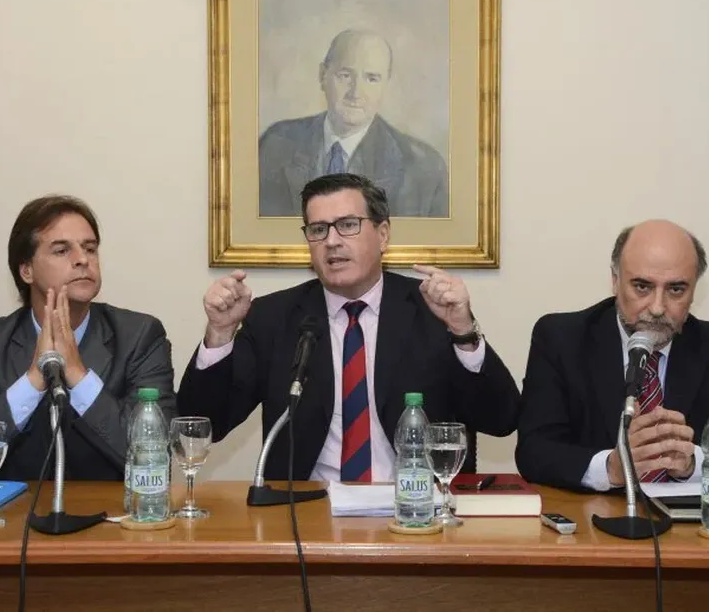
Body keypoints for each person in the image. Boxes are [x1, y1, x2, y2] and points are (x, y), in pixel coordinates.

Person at [179, 173, 518, 482]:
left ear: (383, 235)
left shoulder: (432, 310)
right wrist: (220, 333)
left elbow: (500, 420)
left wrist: (463, 330)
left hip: (415, 507)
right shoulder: (274, 317)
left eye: (347, 225)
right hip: (306, 510)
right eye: (318, 229)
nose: (331, 241)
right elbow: (203, 427)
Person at [515, 220, 709, 491]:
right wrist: (611, 468)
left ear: (694, 290)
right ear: (615, 281)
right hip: (591, 513)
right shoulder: (562, 339)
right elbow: (534, 451)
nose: (657, 308)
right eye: (642, 287)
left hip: (686, 517)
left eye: (676, 289)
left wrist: (693, 464)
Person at [0, 196, 175, 482]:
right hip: (18, 508)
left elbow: (154, 459)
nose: (83, 259)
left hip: (107, 508)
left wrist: (78, 376)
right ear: (26, 270)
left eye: (90, 248)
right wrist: (33, 379)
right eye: (62, 250)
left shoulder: (140, 336)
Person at [258, 29, 449, 218]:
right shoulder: (274, 146)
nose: (356, 93)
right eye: (345, 75)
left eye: (371, 79)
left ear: (386, 86)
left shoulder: (424, 169)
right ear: (322, 76)